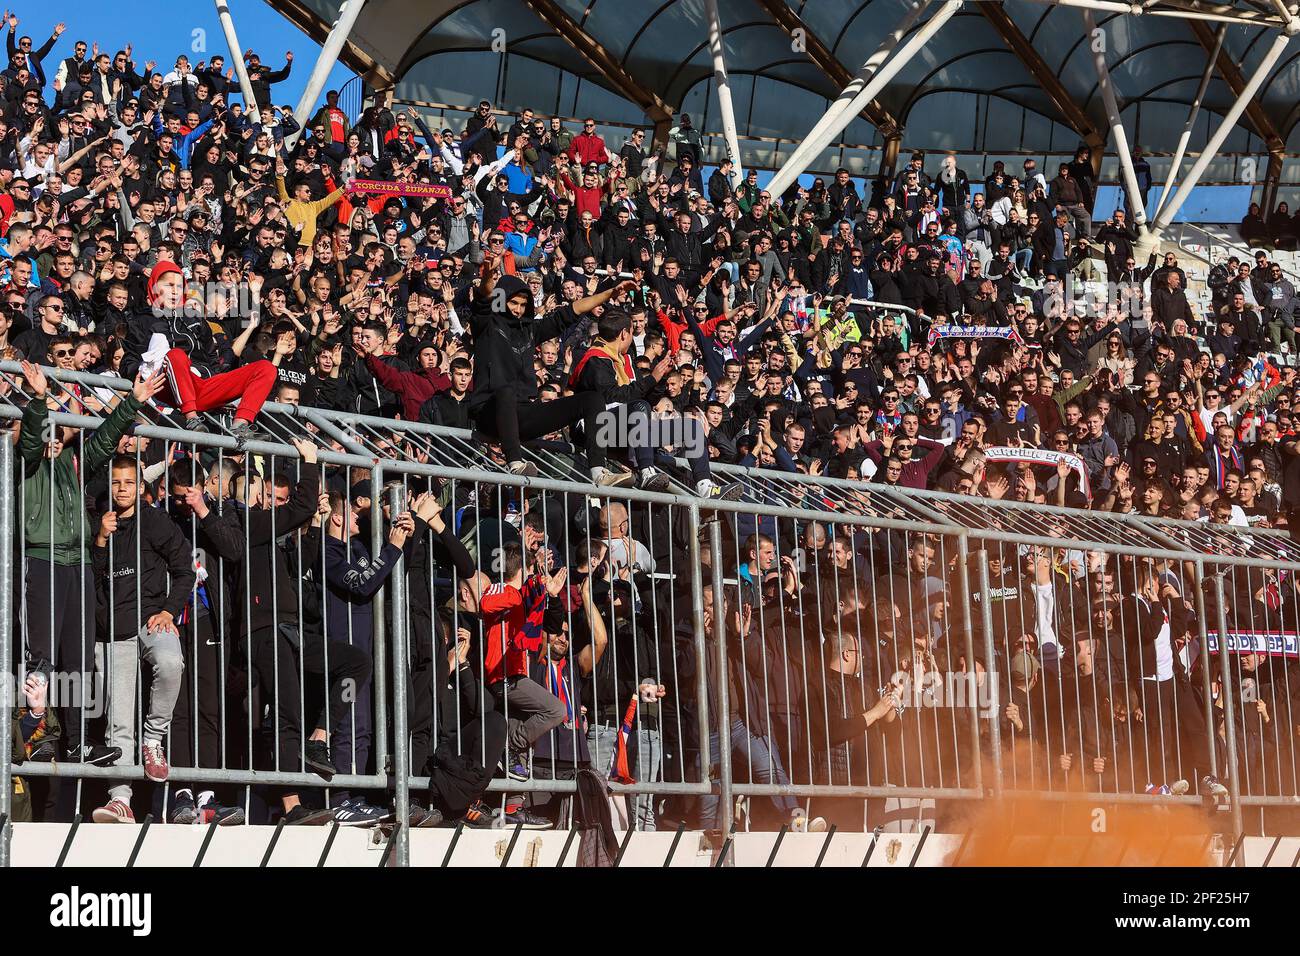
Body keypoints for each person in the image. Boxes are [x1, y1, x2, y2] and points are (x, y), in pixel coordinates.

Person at [89, 456, 195, 823]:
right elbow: (91, 575)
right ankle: (121, 800)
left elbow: (185, 568)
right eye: (117, 483)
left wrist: (169, 610)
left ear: (140, 486)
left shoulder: (154, 519)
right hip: (113, 629)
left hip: (152, 620)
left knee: (170, 663)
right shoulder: (100, 522)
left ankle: (154, 739)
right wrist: (100, 538)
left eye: (129, 483)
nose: (122, 489)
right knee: (118, 721)